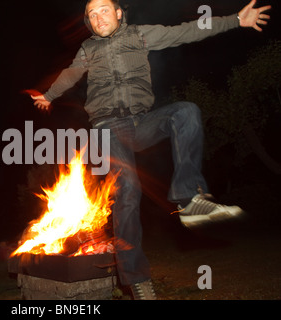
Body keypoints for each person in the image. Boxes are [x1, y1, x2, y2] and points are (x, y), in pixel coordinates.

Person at [30, 0, 271, 300]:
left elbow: (188, 31)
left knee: (185, 112)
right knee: (128, 189)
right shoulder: (88, 50)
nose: (97, 18)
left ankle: (189, 198)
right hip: (106, 128)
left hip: (141, 122)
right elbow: (70, 73)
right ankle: (136, 278)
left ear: (119, 12)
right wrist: (50, 95)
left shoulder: (140, 35)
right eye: (91, 15)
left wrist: (235, 19)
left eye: (103, 10)